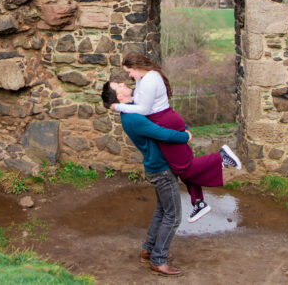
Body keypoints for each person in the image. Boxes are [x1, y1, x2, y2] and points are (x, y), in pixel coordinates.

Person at [110, 52, 242, 222]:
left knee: (183, 168)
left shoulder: (150, 79)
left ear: (136, 67)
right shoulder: (144, 79)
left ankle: (220, 158)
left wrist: (119, 107)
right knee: (183, 164)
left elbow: (143, 109)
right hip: (165, 119)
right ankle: (199, 202)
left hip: (164, 121)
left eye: (129, 71)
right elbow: (140, 100)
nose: (129, 75)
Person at [102, 80, 189, 277]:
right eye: (119, 85)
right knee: (173, 216)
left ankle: (148, 250)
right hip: (161, 170)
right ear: (119, 97)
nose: (124, 83)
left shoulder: (134, 109)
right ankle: (158, 260)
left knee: (162, 210)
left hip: (157, 168)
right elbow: (162, 134)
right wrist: (185, 136)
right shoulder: (133, 117)